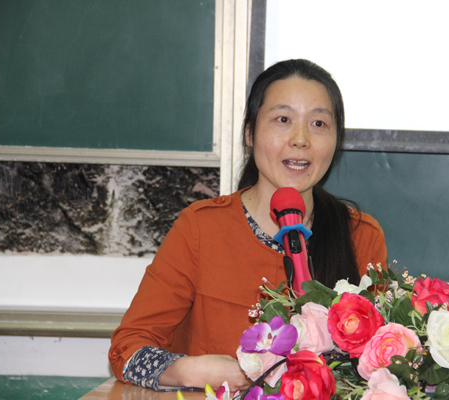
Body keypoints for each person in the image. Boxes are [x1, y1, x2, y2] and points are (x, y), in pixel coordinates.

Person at [109, 59, 387, 391]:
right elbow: (127, 351)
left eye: (318, 123)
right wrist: (189, 371)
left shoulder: (361, 236)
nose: (300, 139)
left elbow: (380, 362)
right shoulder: (201, 228)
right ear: (249, 133)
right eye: (283, 120)